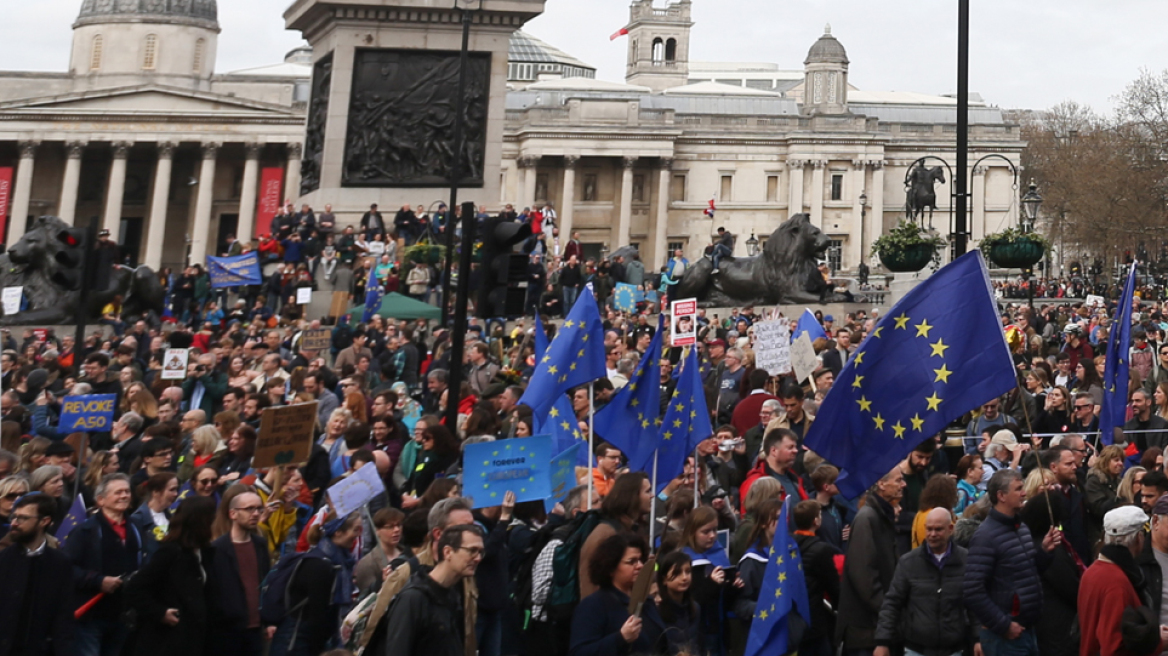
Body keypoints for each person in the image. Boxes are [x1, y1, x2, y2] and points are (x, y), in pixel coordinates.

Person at [964, 470, 1061, 656]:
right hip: (1004, 637)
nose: (1024, 493)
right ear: (1001, 496)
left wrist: (1044, 552)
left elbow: (1028, 572)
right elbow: (973, 590)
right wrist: (1004, 625)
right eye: (1018, 489)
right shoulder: (985, 536)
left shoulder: (1022, 528)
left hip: (1028, 630)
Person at [875, 507, 978, 656]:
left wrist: (978, 639)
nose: (932, 534)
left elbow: (974, 604)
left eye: (938, 529)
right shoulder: (908, 562)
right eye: (929, 529)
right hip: (916, 648)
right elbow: (892, 604)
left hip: (954, 649)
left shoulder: (966, 561)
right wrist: (882, 642)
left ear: (950, 529)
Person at [123, 495, 217, 656]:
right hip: (168, 640)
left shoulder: (206, 552)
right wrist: (160, 612)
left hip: (196, 638)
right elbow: (135, 587)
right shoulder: (172, 552)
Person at [374, 524, 485, 656]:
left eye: (480, 552)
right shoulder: (413, 599)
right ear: (448, 552)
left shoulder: (452, 594)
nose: (478, 558)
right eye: (472, 551)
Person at [64, 473, 143, 656]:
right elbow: (68, 569)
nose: (124, 496)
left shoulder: (137, 527)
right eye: (118, 492)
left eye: (127, 491)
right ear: (101, 500)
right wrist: (98, 581)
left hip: (123, 614)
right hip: (91, 617)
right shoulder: (84, 531)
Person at [837, 463, 905, 656]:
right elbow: (864, 576)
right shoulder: (867, 518)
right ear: (881, 484)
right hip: (867, 633)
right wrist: (888, 612)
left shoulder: (881, 516)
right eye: (898, 480)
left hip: (878, 628)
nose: (903, 484)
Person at [1078, 506, 1164, 656]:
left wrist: (1152, 634)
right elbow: (1114, 648)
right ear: (1139, 537)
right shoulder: (1117, 584)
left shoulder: (1092, 572)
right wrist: (1158, 642)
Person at [0, 493, 75, 656]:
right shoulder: (4, 559)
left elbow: (63, 618)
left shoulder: (60, 563)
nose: (14, 523)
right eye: (14, 517)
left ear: (44, 521)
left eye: (22, 518)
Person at [568, 532, 663, 656]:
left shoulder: (647, 602)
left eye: (641, 560)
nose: (640, 566)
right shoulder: (594, 605)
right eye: (631, 561)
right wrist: (620, 638)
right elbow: (579, 652)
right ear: (611, 568)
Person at [210, 491, 271, 656]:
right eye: (249, 509)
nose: (256, 513)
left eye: (259, 508)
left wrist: (269, 620)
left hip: (256, 630)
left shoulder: (260, 544)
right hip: (227, 632)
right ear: (233, 513)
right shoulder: (217, 549)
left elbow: (266, 582)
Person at [579, 473, 652, 598]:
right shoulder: (606, 534)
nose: (652, 495)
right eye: (647, 491)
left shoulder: (633, 528)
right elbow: (590, 583)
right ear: (632, 496)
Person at [651, 550, 702, 656]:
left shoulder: (695, 609)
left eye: (688, 571)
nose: (684, 577)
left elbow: (698, 644)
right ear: (664, 579)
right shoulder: (657, 611)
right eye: (677, 573)